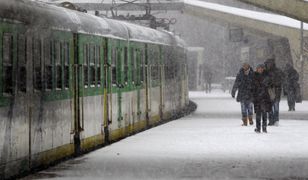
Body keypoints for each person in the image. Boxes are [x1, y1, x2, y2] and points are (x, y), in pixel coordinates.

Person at [264, 58, 284, 126]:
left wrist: (274, 83)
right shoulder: (265, 72)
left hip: (276, 90)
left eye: (270, 63)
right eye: (267, 64)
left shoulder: (277, 71)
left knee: (275, 106)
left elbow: (282, 79)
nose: (268, 65)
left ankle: (275, 120)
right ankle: (271, 120)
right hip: (268, 91)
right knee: (269, 107)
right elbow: (263, 81)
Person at [253, 64, 272, 133]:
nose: (260, 69)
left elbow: (270, 85)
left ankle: (264, 128)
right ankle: (258, 128)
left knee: (264, 113)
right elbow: (252, 87)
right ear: (257, 69)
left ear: (263, 69)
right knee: (258, 114)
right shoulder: (254, 76)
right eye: (259, 68)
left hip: (265, 97)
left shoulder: (267, 76)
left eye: (261, 68)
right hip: (257, 98)